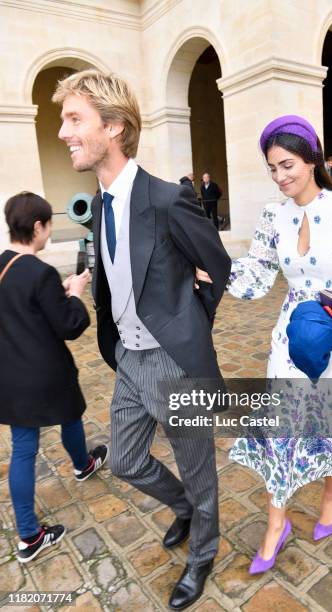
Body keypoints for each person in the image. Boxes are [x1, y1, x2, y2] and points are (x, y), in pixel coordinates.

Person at [53, 70, 231, 610]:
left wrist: (188, 321)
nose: (64, 132)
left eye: (74, 119)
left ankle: (203, 552)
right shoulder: (99, 202)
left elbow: (217, 265)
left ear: (113, 127)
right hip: (128, 358)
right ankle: (183, 509)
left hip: (176, 360)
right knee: (127, 461)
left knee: (200, 472)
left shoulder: (167, 198)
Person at [197, 115, 332, 573]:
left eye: (288, 165)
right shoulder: (273, 216)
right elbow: (258, 275)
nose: (281, 177)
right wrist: (213, 272)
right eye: (272, 168)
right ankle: (275, 523)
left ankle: (331, 495)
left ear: (311, 160)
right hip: (288, 340)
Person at [0, 192, 108, 564]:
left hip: (10, 376)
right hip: (46, 373)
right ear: (36, 228)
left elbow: (22, 307)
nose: (49, 232)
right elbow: (70, 325)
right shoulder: (42, 272)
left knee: (24, 451)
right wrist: (75, 294)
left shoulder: (3, 265)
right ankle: (83, 465)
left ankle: (28, 536)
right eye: (47, 225)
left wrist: (56, 295)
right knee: (71, 415)